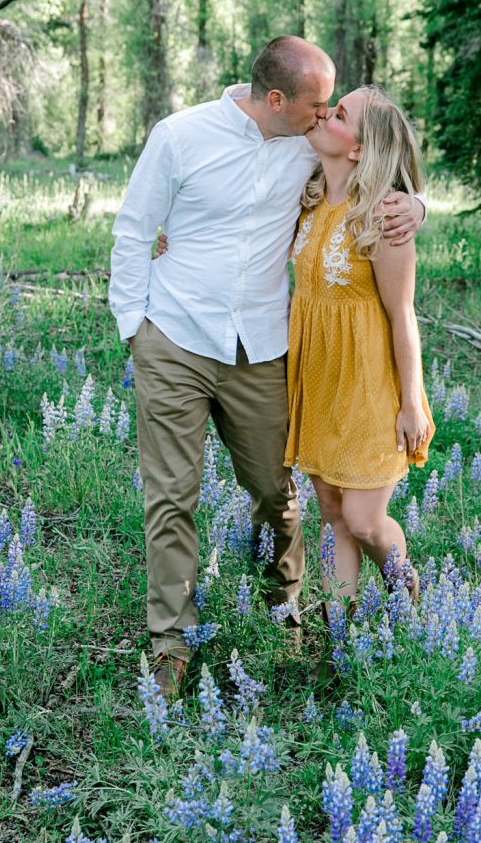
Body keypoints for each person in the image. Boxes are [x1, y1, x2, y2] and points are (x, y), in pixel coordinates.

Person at [109, 36, 425, 701]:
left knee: (275, 495)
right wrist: (132, 328)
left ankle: (283, 611)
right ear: (276, 100)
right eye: (318, 105)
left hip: (261, 347)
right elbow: (135, 229)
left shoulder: (309, 151)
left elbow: (382, 172)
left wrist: (417, 206)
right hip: (173, 335)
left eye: (332, 108)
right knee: (171, 496)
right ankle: (170, 642)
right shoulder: (181, 136)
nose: (325, 114)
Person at [283, 84, 435, 633]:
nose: (324, 113)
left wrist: (411, 402)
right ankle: (339, 639)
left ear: (358, 148)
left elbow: (403, 316)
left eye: (339, 112)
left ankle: (404, 589)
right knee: (332, 519)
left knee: (363, 519)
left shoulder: (387, 219)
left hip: (371, 385)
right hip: (318, 380)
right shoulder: (307, 192)